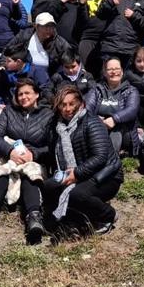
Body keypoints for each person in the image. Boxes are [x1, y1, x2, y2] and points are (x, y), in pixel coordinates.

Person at [0, 77, 53, 247]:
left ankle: (34, 218)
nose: (23, 97)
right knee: (0, 176)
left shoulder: (48, 115)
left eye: (27, 93)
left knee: (32, 176)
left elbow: (52, 145)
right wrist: (10, 151)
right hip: (8, 156)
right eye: (20, 94)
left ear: (36, 94)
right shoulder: (9, 112)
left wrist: (34, 154)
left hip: (34, 158)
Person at [42, 84, 123, 237]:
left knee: (77, 195)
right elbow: (51, 151)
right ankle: (74, 219)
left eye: (71, 104)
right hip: (75, 172)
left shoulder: (92, 122)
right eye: (63, 104)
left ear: (80, 103)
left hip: (105, 175)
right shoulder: (56, 126)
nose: (67, 109)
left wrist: (77, 174)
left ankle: (108, 215)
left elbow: (100, 157)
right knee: (48, 187)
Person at [88, 57, 140, 156]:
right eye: (110, 69)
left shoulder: (131, 91)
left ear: (122, 71)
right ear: (104, 73)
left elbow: (132, 110)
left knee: (116, 130)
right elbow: (87, 109)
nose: (114, 72)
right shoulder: (96, 90)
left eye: (117, 69)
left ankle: (111, 157)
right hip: (99, 128)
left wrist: (114, 119)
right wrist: (98, 121)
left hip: (123, 130)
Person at [8, 12, 73, 75]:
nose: (49, 29)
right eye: (46, 26)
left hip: (49, 77)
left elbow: (71, 57)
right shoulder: (24, 35)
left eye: (52, 26)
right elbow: (6, 51)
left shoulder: (59, 42)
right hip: (24, 76)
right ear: (36, 26)